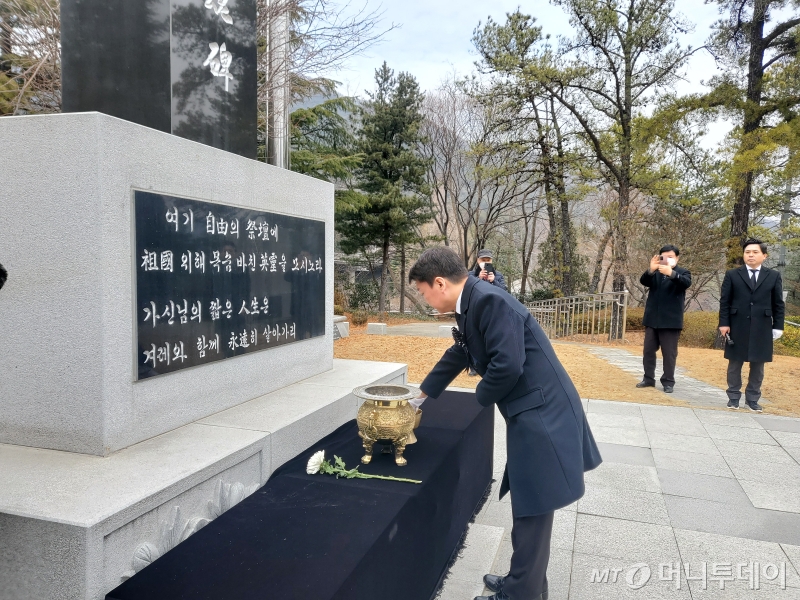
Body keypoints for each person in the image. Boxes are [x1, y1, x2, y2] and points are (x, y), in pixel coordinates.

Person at [407, 246, 601, 600]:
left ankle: (521, 593)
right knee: (531, 502)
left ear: (439, 283)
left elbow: (507, 366)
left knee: (533, 505)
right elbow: (462, 350)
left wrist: (478, 398)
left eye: (423, 292)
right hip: (532, 408)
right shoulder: (471, 303)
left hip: (543, 413)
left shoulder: (488, 300)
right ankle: (526, 583)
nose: (426, 300)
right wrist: (420, 395)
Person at [719, 238, 785, 412]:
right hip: (737, 324)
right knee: (735, 363)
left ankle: (752, 399)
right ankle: (733, 397)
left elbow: (778, 303)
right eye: (747, 252)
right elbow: (725, 301)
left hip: (762, 326)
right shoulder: (733, 274)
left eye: (755, 252)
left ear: (764, 255)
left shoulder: (773, 276)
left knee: (758, 365)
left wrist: (778, 326)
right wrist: (724, 323)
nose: (751, 255)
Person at [636, 245, 692, 393]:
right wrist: (650, 270)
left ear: (677, 258)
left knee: (669, 353)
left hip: (671, 321)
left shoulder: (683, 272)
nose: (667, 259)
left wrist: (671, 273)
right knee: (648, 351)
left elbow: (686, 283)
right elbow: (643, 281)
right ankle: (648, 379)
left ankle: (668, 381)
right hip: (652, 319)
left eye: (670, 257)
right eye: (663, 257)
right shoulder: (656, 272)